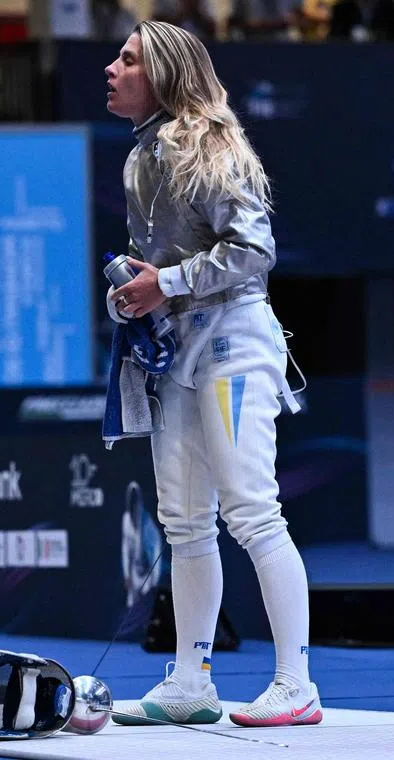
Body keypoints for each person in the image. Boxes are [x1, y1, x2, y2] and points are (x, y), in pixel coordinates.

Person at [102, 21, 321, 728]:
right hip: (180, 349)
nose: (112, 68)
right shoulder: (141, 160)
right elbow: (160, 271)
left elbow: (255, 249)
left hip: (233, 342)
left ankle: (297, 682)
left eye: (129, 60)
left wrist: (165, 280)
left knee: (253, 510)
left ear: (163, 74)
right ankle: (191, 680)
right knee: (184, 522)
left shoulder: (212, 145)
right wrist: (134, 291)